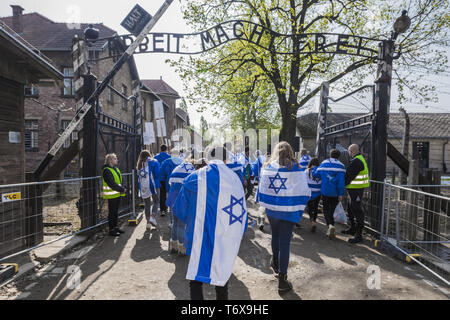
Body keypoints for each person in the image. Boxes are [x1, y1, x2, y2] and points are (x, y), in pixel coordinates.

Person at [172, 146, 248, 300]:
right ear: (226, 159)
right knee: (221, 279)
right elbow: (241, 215)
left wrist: (195, 219)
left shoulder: (193, 178)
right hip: (224, 237)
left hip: (197, 235)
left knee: (196, 278)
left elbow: (179, 210)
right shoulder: (235, 180)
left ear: (206, 159)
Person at [256, 142, 311, 294]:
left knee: (275, 236)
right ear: (290, 152)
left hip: (272, 209)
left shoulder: (268, 167)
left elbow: (262, 187)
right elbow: (304, 190)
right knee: (285, 242)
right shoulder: (297, 168)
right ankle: (282, 280)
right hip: (289, 210)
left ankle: (275, 261)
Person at [312, 149, 346, 239]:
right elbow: (341, 182)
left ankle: (330, 226)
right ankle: (331, 226)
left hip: (325, 191)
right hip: (335, 193)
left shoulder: (324, 163)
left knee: (326, 209)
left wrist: (314, 168)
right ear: (339, 156)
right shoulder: (341, 166)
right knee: (332, 210)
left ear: (330, 154)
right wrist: (340, 194)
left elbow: (316, 175)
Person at [166, 151, 195, 255]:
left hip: (173, 197)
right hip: (182, 199)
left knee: (175, 223)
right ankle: (182, 249)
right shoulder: (191, 168)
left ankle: (173, 246)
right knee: (182, 224)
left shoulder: (177, 168)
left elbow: (170, 183)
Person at [343, 144, 370, 244]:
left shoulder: (356, 161)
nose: (349, 154)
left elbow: (348, 176)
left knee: (357, 211)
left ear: (352, 151)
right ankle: (353, 228)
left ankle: (358, 235)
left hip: (356, 190)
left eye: (349, 152)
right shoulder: (359, 159)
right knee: (351, 208)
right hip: (355, 190)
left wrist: (340, 185)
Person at [102, 153, 127, 237]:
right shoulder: (106, 170)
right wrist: (122, 189)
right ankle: (111, 230)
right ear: (110, 160)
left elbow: (121, 180)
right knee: (112, 212)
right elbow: (111, 183)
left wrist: (123, 187)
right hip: (112, 195)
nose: (117, 160)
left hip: (117, 193)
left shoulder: (115, 169)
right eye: (115, 158)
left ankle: (115, 227)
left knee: (115, 212)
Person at [136, 150, 160, 230]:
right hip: (153, 185)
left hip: (143, 186)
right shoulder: (154, 162)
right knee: (156, 201)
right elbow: (157, 174)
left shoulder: (139, 164)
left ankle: (148, 223)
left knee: (147, 204)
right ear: (149, 155)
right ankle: (153, 217)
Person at [305, 158, 322, 233]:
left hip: (309, 191)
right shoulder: (320, 171)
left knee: (309, 207)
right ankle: (314, 220)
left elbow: (304, 181)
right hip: (318, 192)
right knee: (315, 207)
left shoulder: (307, 171)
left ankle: (312, 221)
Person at [155, 145, 171, 216]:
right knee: (168, 192)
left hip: (159, 177)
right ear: (166, 149)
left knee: (161, 193)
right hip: (167, 177)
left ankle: (162, 209)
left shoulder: (156, 157)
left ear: (160, 149)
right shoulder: (169, 157)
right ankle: (167, 206)